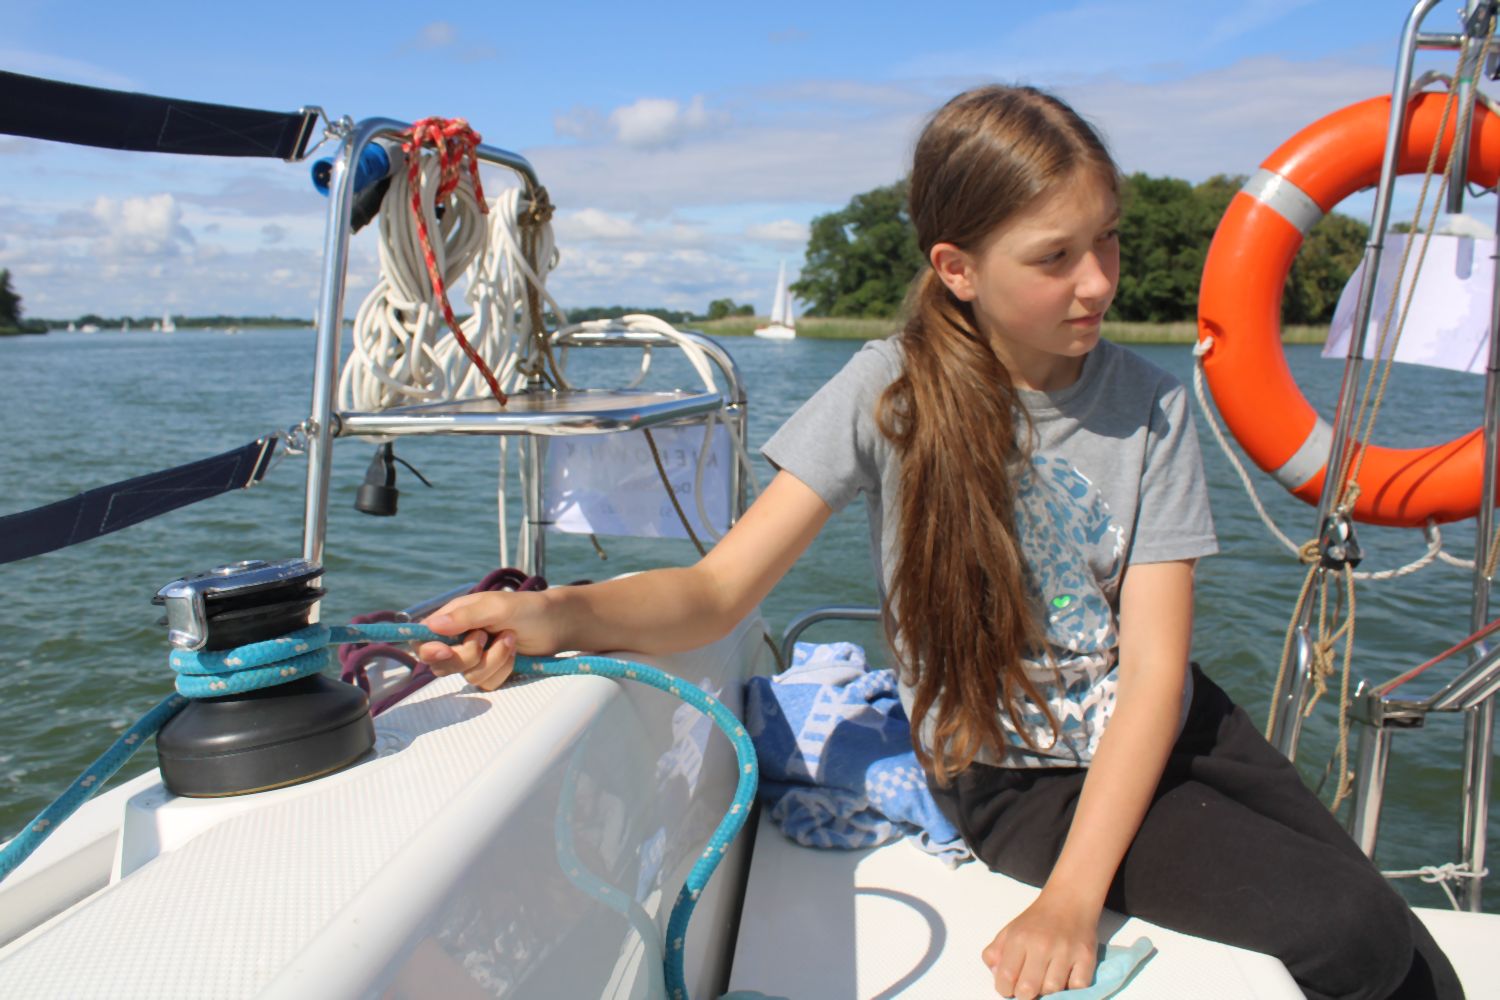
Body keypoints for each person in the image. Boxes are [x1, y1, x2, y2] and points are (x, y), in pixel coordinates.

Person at [417, 85, 1461, 1000]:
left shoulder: (1151, 404)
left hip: (1176, 729)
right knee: (1350, 936)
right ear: (957, 268)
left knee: (1416, 957)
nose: (1099, 282)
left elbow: (1154, 670)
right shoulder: (885, 390)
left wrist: (1074, 896)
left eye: (1107, 240)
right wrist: (553, 614)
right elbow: (716, 592)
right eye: (1055, 257)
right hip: (1018, 779)